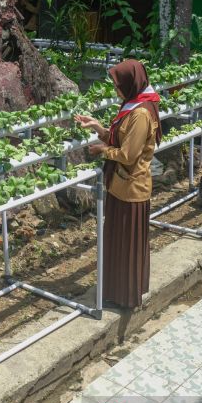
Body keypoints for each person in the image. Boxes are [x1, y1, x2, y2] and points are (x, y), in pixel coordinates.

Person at [74, 60, 162, 308]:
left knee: (126, 245)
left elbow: (127, 155)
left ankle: (125, 297)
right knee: (119, 243)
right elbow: (120, 138)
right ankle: (118, 292)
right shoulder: (134, 105)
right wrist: (98, 127)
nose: (115, 89)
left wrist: (103, 151)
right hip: (121, 187)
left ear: (130, 83)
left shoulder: (141, 114)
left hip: (131, 189)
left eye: (117, 84)